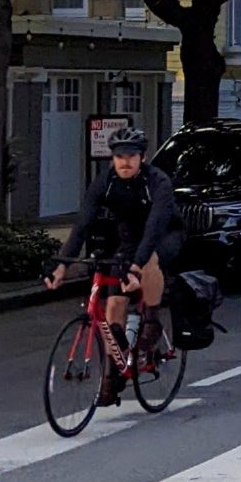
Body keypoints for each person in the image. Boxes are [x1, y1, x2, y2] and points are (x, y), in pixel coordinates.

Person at [46, 127, 184, 405]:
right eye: (119, 156)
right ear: (112, 159)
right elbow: (82, 224)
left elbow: (155, 229)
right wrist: (62, 264)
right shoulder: (105, 182)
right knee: (113, 304)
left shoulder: (157, 182)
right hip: (129, 236)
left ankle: (152, 324)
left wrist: (135, 266)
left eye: (131, 156)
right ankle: (114, 374)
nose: (125, 162)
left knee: (150, 260)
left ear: (142, 158)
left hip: (165, 232)